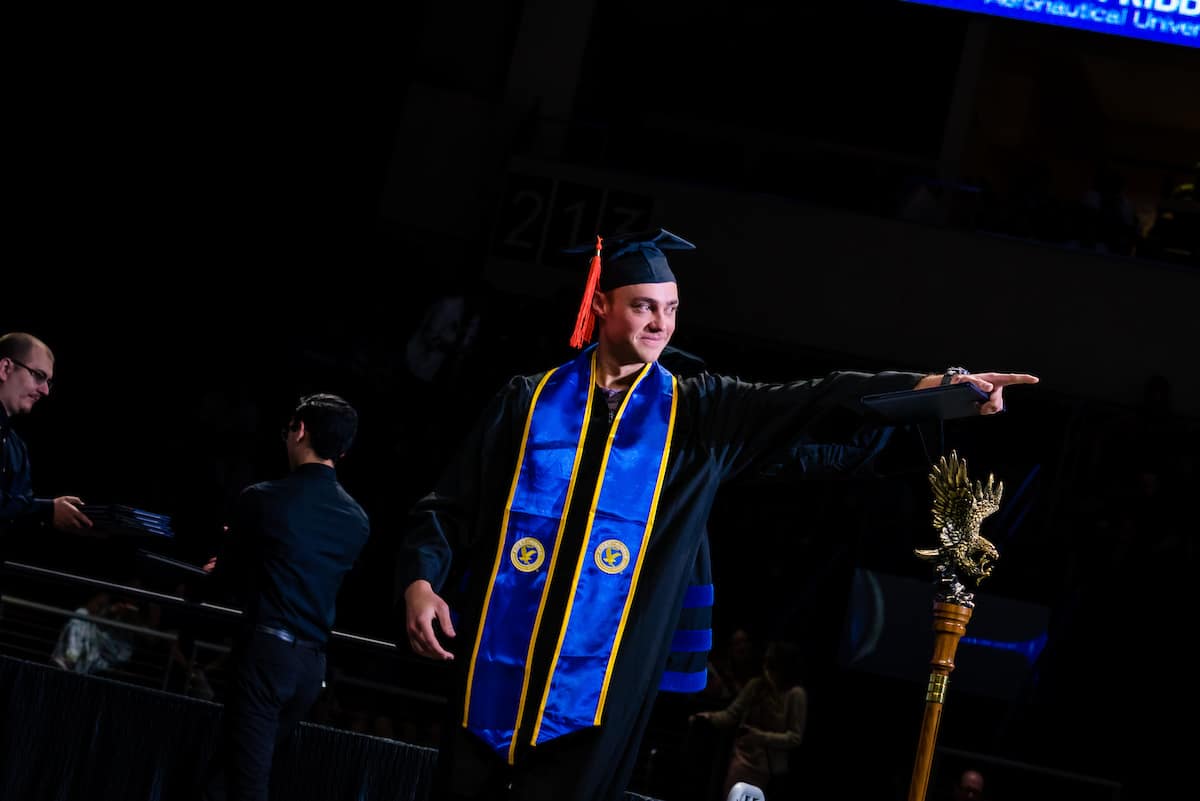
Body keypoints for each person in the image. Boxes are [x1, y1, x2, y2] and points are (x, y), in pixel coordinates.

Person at [399, 229, 1039, 801]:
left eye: (671, 308)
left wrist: (943, 390)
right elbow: (451, 502)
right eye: (644, 305)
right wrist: (422, 581)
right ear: (600, 304)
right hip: (494, 658)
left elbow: (820, 396)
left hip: (603, 684)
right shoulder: (526, 400)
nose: (661, 323)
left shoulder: (699, 413)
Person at [200, 393, 370, 801]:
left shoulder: (262, 498)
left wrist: (225, 559)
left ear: (300, 431)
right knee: (228, 776)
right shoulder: (357, 521)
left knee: (246, 784)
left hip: (266, 656)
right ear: (343, 450)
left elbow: (228, 579)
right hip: (312, 667)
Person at [0, 331, 93, 541]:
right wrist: (47, 511)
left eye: (48, 382)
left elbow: (17, 518)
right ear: (5, 368)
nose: (45, 391)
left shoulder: (18, 448)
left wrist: (67, 519)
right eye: (39, 376)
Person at [692, 641, 807, 800]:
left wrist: (760, 736)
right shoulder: (756, 685)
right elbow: (732, 714)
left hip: (769, 769)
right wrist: (709, 717)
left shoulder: (795, 694)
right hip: (743, 759)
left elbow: (794, 737)